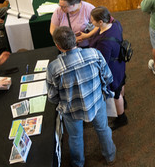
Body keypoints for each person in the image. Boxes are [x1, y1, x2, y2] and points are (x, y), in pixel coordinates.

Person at [47, 26, 117, 166]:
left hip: (71, 110)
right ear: (76, 40)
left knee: (75, 137)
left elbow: (52, 97)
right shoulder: (94, 53)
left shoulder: (54, 67)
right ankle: (110, 156)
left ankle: (78, 163)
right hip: (97, 102)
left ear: (58, 46)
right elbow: (108, 77)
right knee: (103, 129)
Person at [88, 7, 128, 129]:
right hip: (120, 64)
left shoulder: (104, 43)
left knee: (115, 93)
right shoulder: (115, 23)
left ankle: (121, 117)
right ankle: (123, 100)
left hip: (112, 69)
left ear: (100, 22)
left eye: (92, 21)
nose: (91, 22)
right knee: (121, 83)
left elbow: (102, 61)